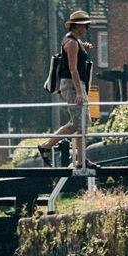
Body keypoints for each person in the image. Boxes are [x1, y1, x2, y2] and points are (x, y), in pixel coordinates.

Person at [40, 10, 97, 168]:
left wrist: (83, 47)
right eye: (85, 26)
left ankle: (80, 160)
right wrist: (79, 92)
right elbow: (73, 69)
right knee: (79, 123)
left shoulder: (74, 41)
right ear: (77, 26)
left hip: (75, 84)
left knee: (81, 123)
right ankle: (47, 146)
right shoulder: (71, 42)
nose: (86, 28)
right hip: (72, 85)